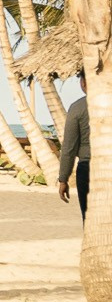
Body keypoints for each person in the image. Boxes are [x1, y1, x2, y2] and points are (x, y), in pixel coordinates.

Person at [59, 71, 91, 220]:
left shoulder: (78, 108)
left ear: (84, 82)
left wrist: (63, 179)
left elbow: (69, 149)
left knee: (89, 217)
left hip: (87, 168)